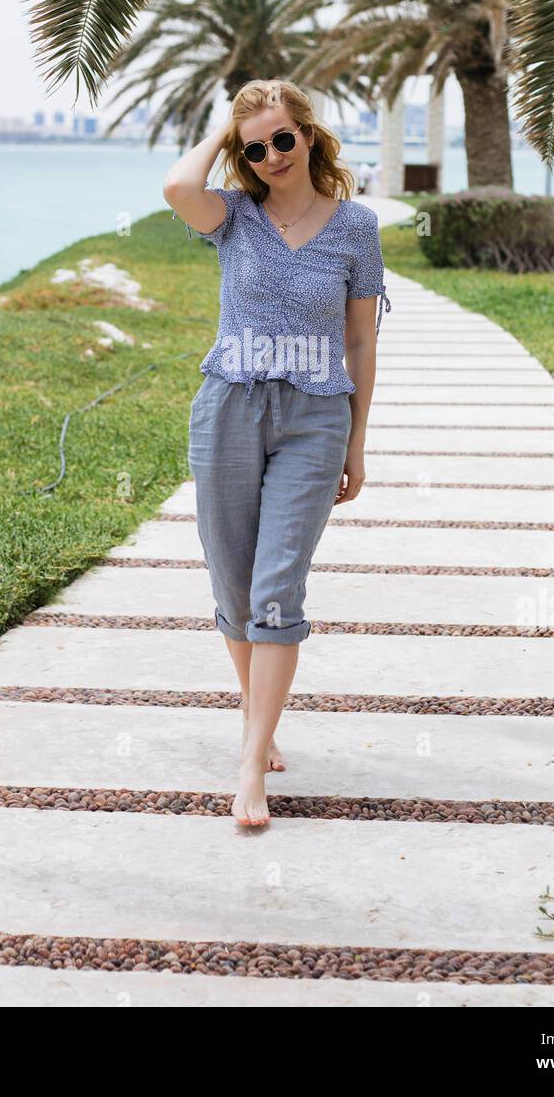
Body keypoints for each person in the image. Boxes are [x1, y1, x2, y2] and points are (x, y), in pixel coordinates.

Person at [163, 79, 391, 827]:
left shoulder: (355, 228)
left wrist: (356, 440)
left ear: (309, 136)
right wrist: (223, 136)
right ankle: (260, 726)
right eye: (253, 147)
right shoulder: (230, 216)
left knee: (275, 587)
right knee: (233, 587)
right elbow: (175, 185)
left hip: (314, 418)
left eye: (281, 139)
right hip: (228, 407)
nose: (270, 156)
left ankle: (249, 767)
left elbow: (360, 339)